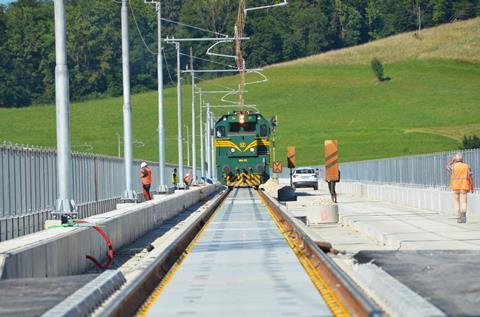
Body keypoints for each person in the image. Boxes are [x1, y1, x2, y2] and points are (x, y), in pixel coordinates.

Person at [446, 153, 474, 223]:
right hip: (464, 186)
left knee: (456, 202)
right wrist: (472, 186)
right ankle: (463, 212)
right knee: (463, 201)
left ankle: (459, 217)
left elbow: (446, 167)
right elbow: (470, 176)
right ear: (462, 159)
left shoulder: (453, 166)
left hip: (455, 187)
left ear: (455, 159)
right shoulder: (467, 166)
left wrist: (452, 161)